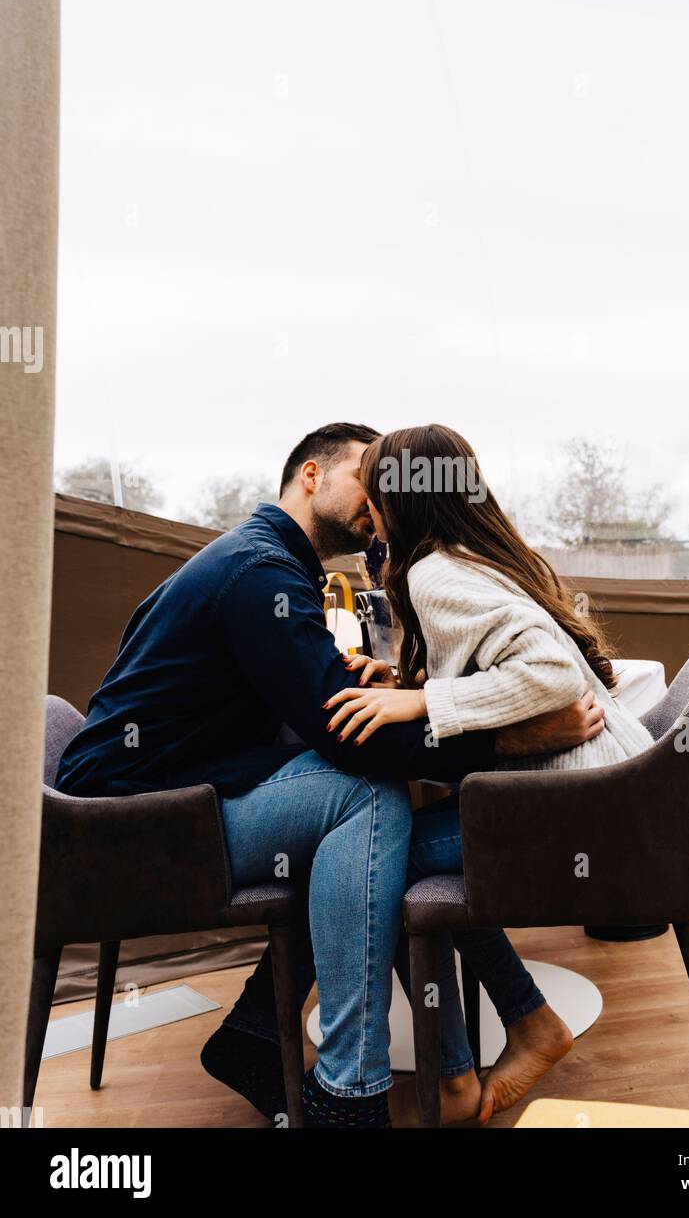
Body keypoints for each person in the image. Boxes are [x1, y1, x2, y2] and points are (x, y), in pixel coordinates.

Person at [54, 422, 602, 1128]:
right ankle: (350, 1093)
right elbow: (357, 747)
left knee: (365, 839)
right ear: (310, 476)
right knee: (365, 799)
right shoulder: (259, 574)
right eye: (363, 480)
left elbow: (307, 715)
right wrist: (508, 739)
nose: (377, 503)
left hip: (162, 799)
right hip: (131, 827)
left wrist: (377, 692)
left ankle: (278, 1037)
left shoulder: (258, 566)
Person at [324, 422, 657, 1123]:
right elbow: (498, 657)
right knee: (400, 856)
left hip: (578, 807)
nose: (367, 508)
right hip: (615, 793)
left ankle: (467, 1069)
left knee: (385, 862)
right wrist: (407, 676)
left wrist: (422, 697)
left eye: (375, 491)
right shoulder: (479, 555)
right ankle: (518, 1031)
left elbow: (549, 673)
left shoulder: (434, 572)